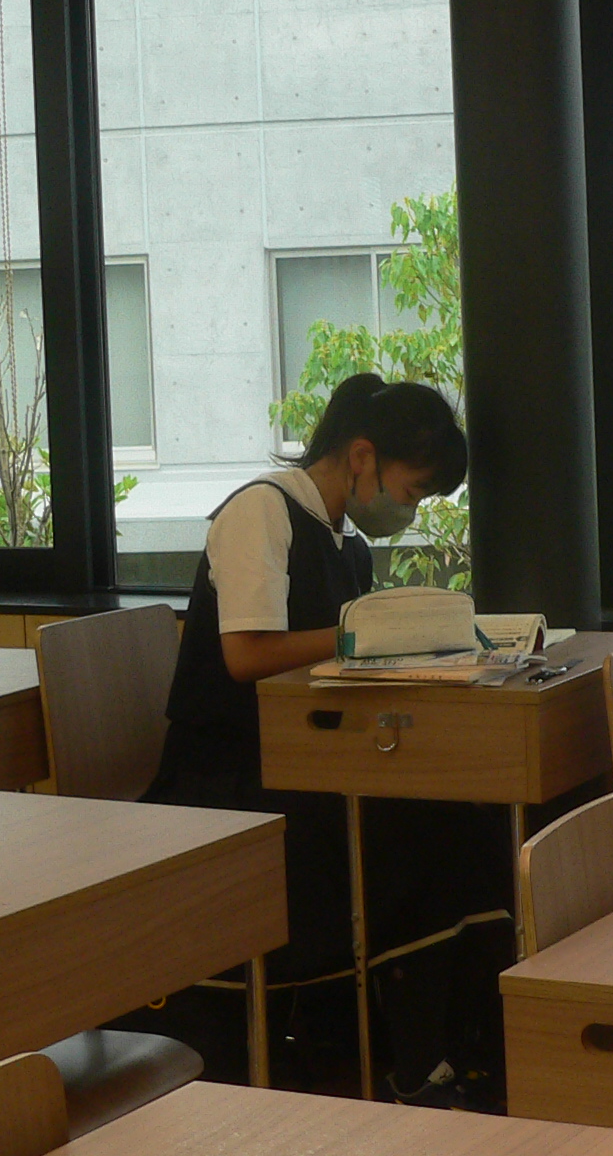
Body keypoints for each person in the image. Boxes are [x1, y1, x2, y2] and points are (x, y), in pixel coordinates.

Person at [143, 373, 489, 1099]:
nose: (408, 510)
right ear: (362, 456)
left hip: (307, 762)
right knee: (422, 837)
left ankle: (435, 1049)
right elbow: (246, 656)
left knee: (463, 817)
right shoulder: (260, 512)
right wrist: (361, 635)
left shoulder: (346, 544)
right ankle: (414, 1061)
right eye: (412, 490)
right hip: (228, 778)